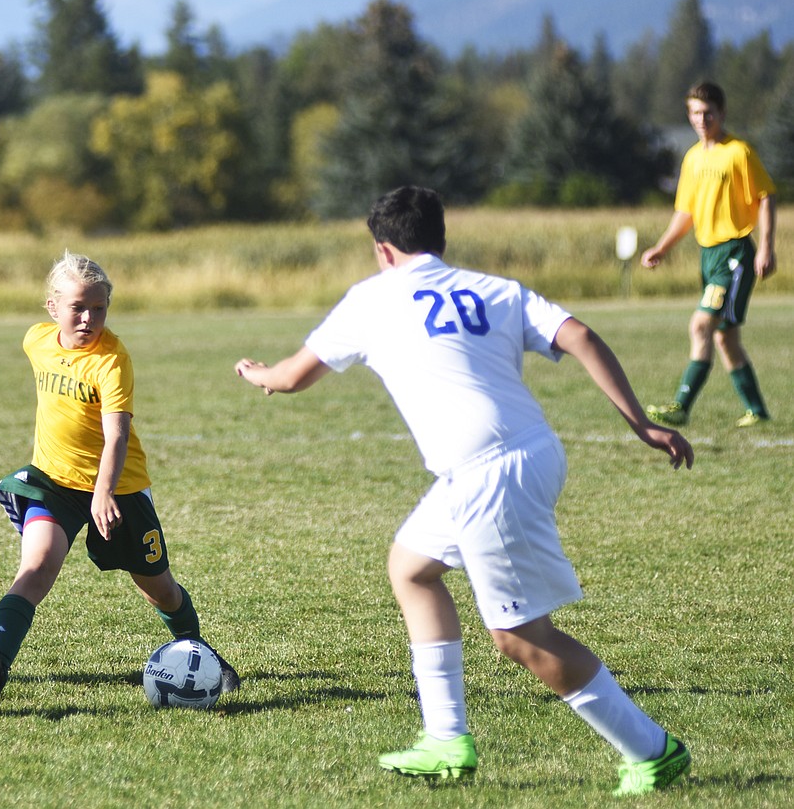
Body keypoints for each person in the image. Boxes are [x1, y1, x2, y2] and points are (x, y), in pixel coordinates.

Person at [234, 186, 693, 796]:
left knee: (520, 636)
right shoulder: (494, 289)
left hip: (488, 472)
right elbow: (580, 334)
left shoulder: (371, 298)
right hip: (523, 453)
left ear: (384, 250)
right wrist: (641, 421)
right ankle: (445, 738)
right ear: (440, 241)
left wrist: (257, 374)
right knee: (411, 568)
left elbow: (291, 378)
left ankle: (651, 750)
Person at [0, 252, 239, 712]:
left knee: (158, 588)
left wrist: (103, 492)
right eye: (78, 307)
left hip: (119, 489)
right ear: (53, 307)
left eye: (98, 308)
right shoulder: (36, 340)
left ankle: (198, 652)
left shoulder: (112, 360)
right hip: (53, 483)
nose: (89, 318)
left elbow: (116, 435)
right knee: (35, 569)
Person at [641, 80, 777, 428]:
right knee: (725, 338)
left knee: (701, 325)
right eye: (695, 113)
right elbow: (686, 213)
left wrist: (766, 246)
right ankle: (757, 412)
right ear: (689, 115)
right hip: (709, 255)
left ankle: (681, 406)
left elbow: (765, 197)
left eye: (708, 112)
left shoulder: (738, 152)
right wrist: (662, 247)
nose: (702, 119)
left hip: (735, 254)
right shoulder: (691, 159)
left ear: (722, 112)